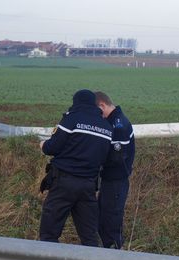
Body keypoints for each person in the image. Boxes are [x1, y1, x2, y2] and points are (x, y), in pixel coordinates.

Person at [39, 89, 112, 246]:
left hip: (63, 182)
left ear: (76, 102)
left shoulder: (72, 119)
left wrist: (43, 145)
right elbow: (105, 157)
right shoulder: (106, 127)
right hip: (88, 187)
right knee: (89, 236)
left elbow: (53, 147)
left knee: (49, 233)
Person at [95, 91, 135, 249]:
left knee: (111, 218)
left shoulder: (118, 126)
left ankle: (113, 251)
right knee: (104, 216)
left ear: (102, 106)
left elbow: (116, 158)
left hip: (115, 181)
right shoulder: (114, 121)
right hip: (110, 180)